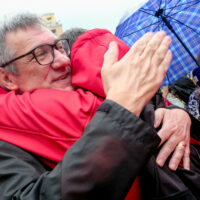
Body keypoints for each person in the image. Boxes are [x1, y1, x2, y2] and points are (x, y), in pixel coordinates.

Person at [0, 13, 199, 199]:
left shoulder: (91, 81)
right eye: (41, 54)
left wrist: (177, 113)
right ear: (7, 78)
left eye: (59, 48)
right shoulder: (6, 142)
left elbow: (155, 105)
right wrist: (122, 109)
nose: (62, 61)